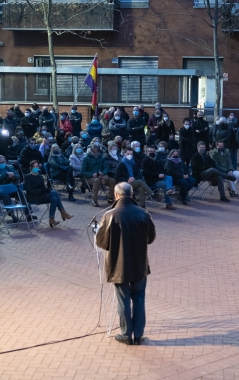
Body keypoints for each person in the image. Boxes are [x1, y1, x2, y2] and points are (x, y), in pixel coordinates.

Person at [95, 182, 156, 346]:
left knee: (123, 300)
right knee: (139, 299)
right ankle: (138, 335)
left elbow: (101, 242)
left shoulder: (109, 215)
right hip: (139, 264)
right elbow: (150, 238)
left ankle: (126, 334)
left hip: (118, 265)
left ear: (116, 195)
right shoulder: (143, 213)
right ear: (132, 195)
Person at [25, 160, 73, 227]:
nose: (36, 168)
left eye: (37, 166)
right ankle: (63, 212)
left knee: (54, 198)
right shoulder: (27, 177)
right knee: (55, 193)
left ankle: (51, 218)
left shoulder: (40, 177)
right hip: (33, 197)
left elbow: (43, 188)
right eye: (34, 167)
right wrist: (41, 191)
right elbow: (30, 190)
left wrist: (45, 190)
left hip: (41, 196)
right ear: (31, 168)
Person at [143, 145, 176, 210]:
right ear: (146, 152)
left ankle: (170, 190)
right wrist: (157, 175)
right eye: (150, 151)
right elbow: (146, 173)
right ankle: (168, 203)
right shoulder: (145, 161)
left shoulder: (157, 160)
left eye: (153, 151)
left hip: (160, 178)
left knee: (169, 177)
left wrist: (163, 174)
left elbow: (163, 169)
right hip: (151, 181)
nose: (152, 152)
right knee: (164, 184)